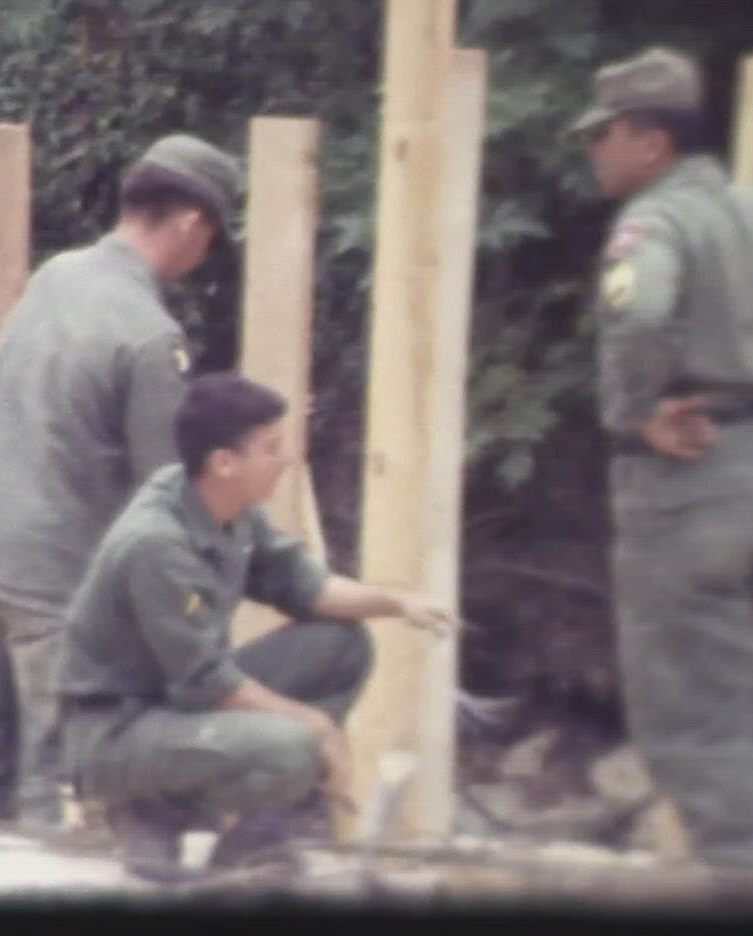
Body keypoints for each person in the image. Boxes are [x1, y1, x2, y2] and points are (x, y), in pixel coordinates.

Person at [566, 46, 753, 873]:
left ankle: (745, 875)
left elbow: (644, 311)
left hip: (688, 477)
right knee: (735, 653)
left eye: (604, 135)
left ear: (649, 140)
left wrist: (636, 414)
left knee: (685, 701)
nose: (593, 150)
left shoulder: (653, 224)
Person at [0, 134, 246, 827]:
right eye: (211, 237)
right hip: (47, 589)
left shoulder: (56, 275)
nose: (203, 258)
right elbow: (163, 500)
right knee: (54, 793)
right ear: (191, 221)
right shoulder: (150, 337)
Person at [58, 373, 456, 883]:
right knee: (294, 746)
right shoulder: (156, 544)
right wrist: (318, 726)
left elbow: (306, 587)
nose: (286, 460)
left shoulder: (224, 507)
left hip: (175, 706)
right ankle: (150, 810)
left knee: (341, 644)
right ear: (224, 462)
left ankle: (251, 843)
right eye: (272, 449)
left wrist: (398, 603)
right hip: (116, 734)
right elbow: (208, 682)